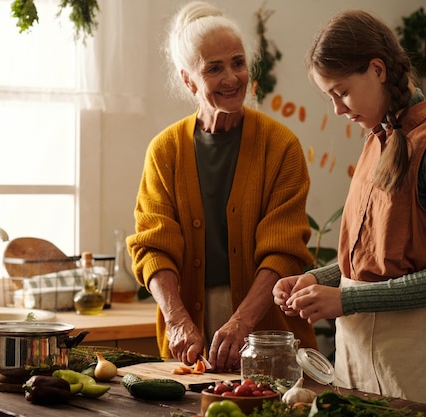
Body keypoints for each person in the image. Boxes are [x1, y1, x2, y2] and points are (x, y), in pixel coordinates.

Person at [272, 10, 426, 410]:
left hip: (412, 363)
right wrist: (314, 279)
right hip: (354, 359)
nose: (337, 109)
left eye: (342, 92)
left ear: (378, 69)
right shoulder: (376, 141)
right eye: (329, 96)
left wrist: (345, 301)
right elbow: (375, 260)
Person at [127, 1, 317, 372]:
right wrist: (178, 320)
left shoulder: (281, 147)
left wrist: (242, 323)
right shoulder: (165, 150)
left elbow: (283, 252)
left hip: (267, 338)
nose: (232, 78)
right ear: (188, 79)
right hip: (189, 341)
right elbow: (153, 247)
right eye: (214, 68)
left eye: (238, 62)